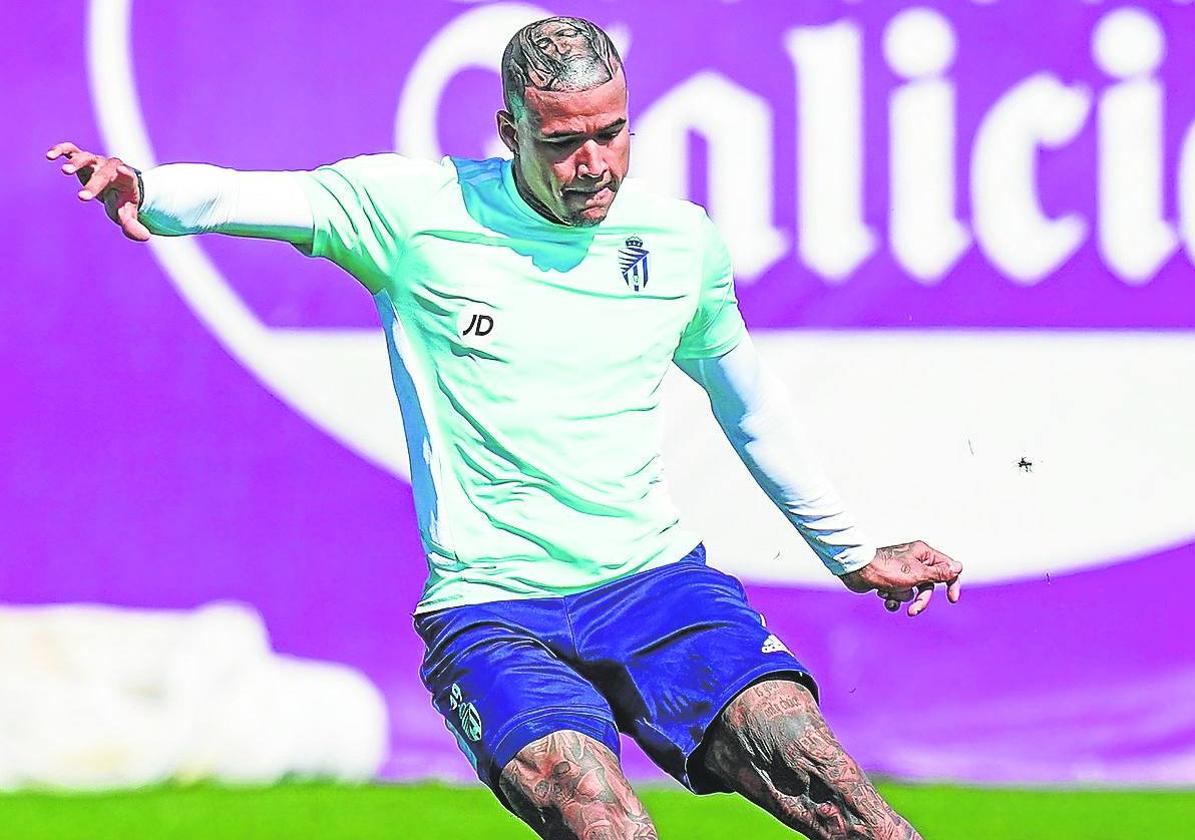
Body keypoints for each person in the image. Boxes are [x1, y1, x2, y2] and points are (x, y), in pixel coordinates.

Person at [48, 16, 962, 840]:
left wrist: (848, 553)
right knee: (602, 821)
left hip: (657, 589)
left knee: (834, 788)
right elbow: (262, 197)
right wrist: (149, 189)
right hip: (493, 611)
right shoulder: (413, 213)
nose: (594, 163)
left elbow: (747, 401)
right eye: (563, 143)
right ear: (508, 131)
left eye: (611, 133)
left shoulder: (679, 244)